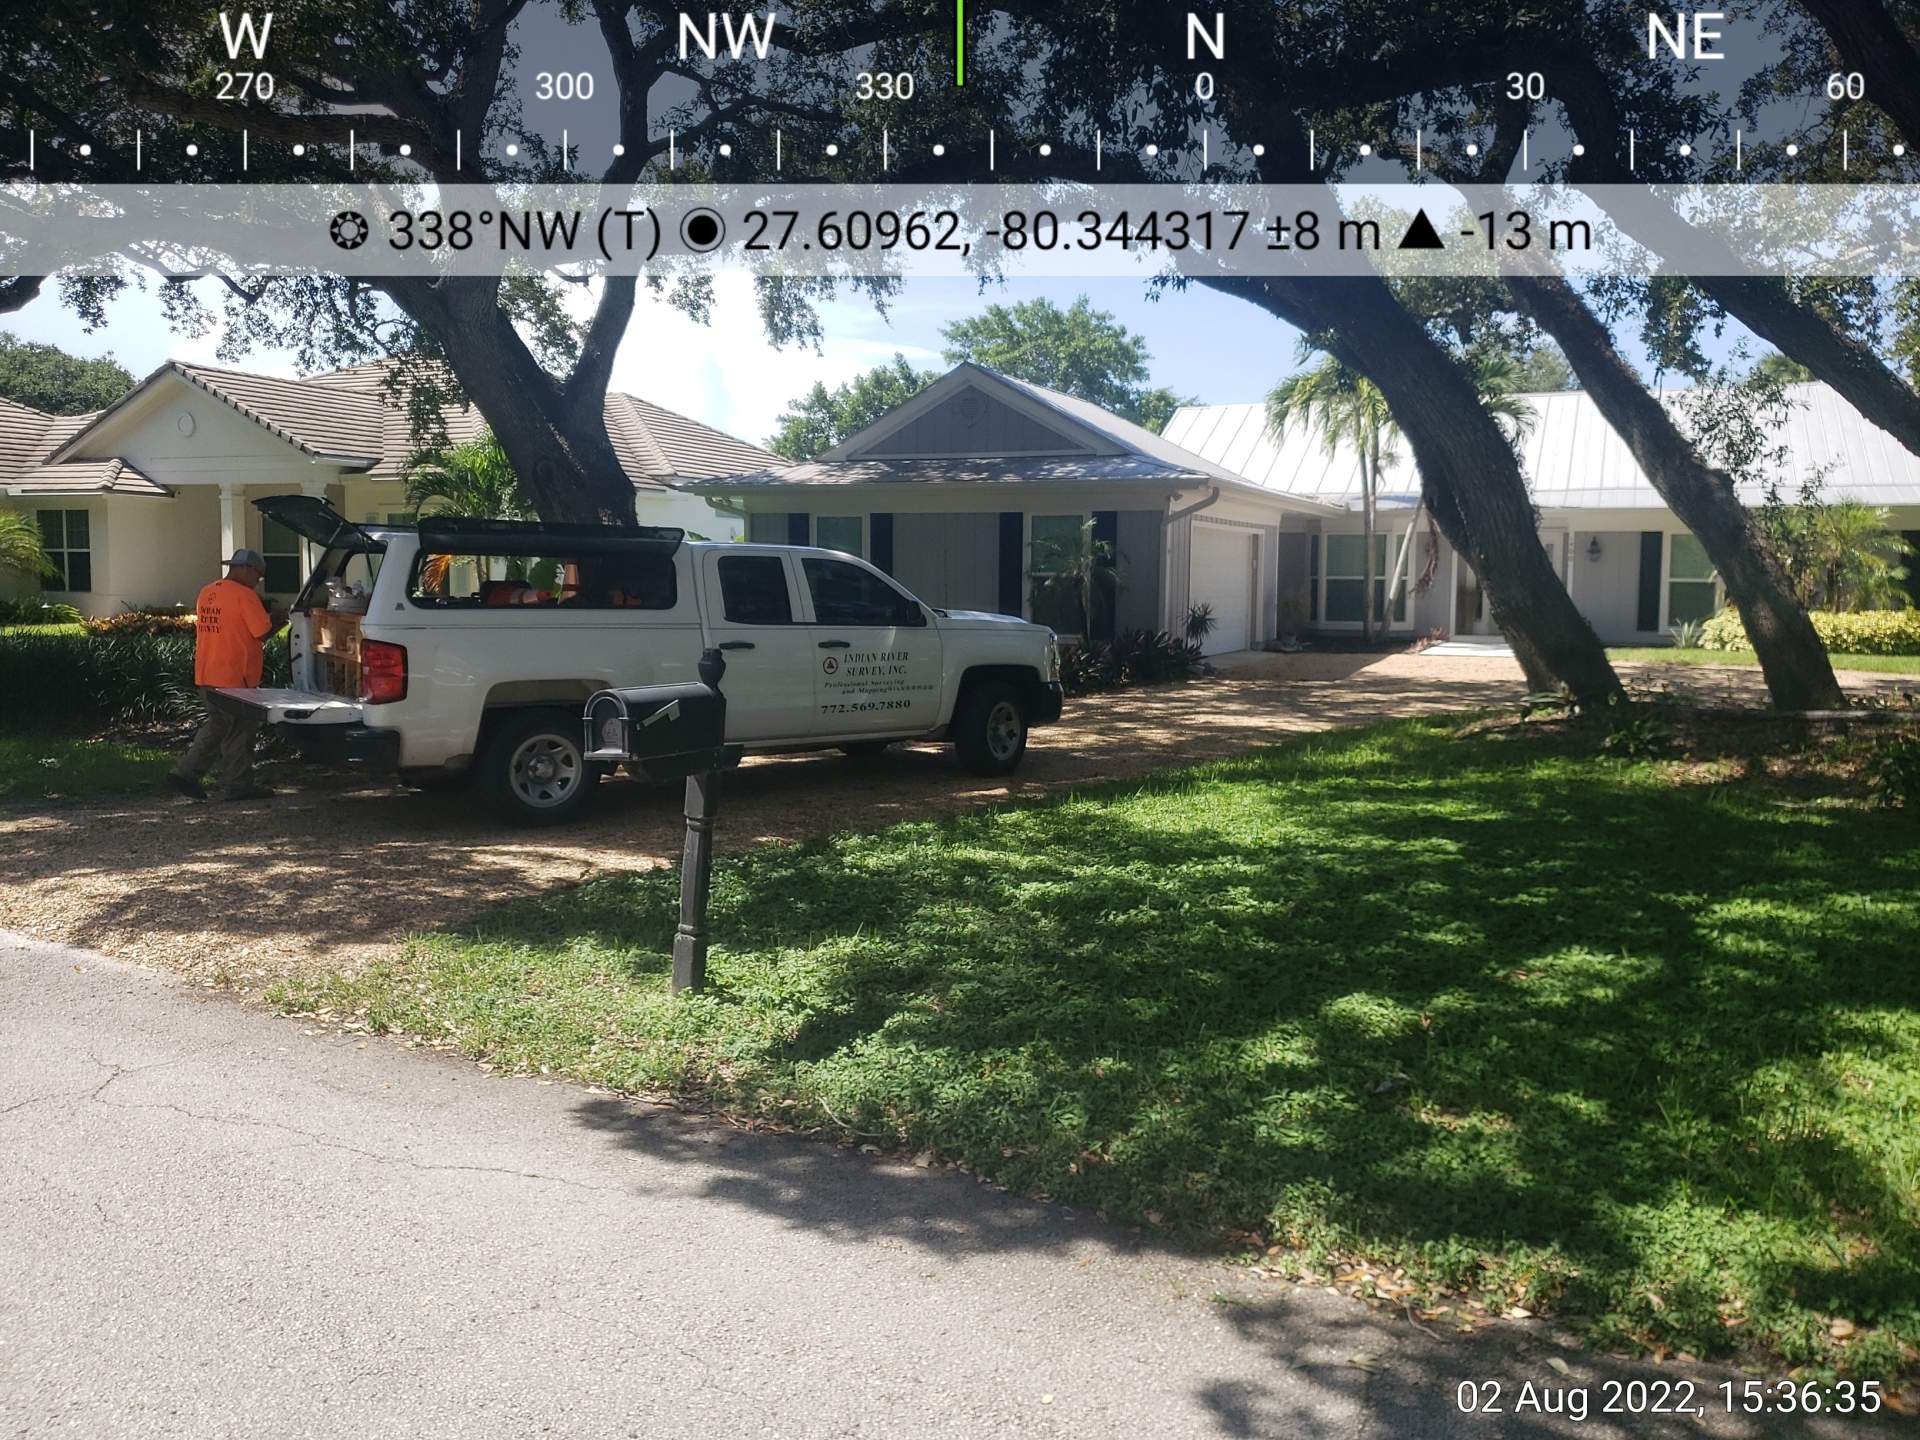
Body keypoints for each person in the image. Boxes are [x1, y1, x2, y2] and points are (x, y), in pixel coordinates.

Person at [169, 548, 281, 802]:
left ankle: (237, 784)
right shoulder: (245, 596)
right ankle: (187, 772)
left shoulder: (207, 592)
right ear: (248, 569)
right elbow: (261, 632)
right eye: (259, 576)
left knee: (233, 728)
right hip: (235, 678)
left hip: (207, 671)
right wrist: (278, 620)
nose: (258, 581)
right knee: (232, 729)